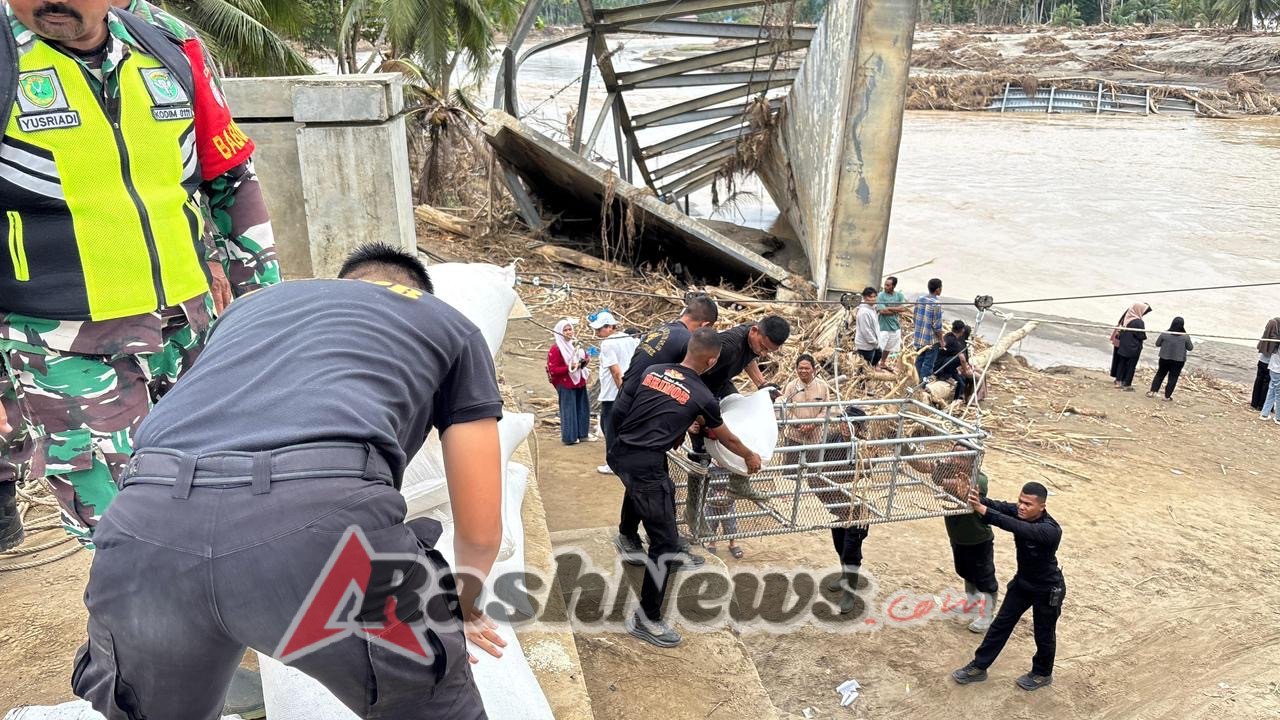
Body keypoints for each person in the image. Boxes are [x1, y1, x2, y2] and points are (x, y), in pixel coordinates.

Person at [72, 243, 505, 719]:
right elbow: (480, 530)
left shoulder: (247, 310)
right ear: (415, 292)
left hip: (142, 527)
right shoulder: (445, 322)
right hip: (323, 525)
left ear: (342, 283)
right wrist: (463, 600)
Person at [0, 0, 279, 552]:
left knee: (217, 489)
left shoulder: (167, 46)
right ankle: (133, 633)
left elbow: (229, 180)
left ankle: (215, 618)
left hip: (187, 331)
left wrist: (265, 315)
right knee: (127, 529)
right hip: (60, 345)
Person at [606, 328, 762, 648]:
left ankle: (627, 534)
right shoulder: (703, 395)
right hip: (646, 464)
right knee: (663, 543)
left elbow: (643, 405)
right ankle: (647, 619)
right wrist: (749, 455)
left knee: (656, 496)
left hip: (622, 451)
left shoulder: (653, 371)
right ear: (712, 360)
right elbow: (726, 437)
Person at [952, 481, 1065, 692]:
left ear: (1042, 506)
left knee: (1044, 633)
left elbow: (1013, 525)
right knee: (1000, 625)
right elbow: (997, 506)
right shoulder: (1019, 511)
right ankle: (979, 667)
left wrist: (983, 510)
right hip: (1023, 583)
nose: (1021, 507)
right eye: (1020, 501)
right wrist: (973, 498)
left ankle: (1042, 673)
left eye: (1028, 504)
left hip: (1047, 589)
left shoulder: (1050, 530)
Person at [933, 447, 998, 633]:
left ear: (972, 459)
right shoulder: (951, 469)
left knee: (985, 578)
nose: (956, 459)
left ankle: (987, 614)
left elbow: (945, 483)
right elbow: (936, 477)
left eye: (962, 456)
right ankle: (972, 603)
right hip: (958, 535)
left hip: (978, 538)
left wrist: (938, 468)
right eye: (954, 453)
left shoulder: (979, 479)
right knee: (965, 571)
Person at [812, 406, 870, 615]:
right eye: (844, 421)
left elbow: (865, 473)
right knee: (839, 545)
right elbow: (819, 464)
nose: (846, 426)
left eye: (851, 423)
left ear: (859, 427)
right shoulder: (834, 438)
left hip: (857, 509)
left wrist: (833, 478)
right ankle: (845, 576)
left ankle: (849, 592)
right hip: (837, 504)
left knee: (851, 551)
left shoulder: (864, 446)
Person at [616, 293, 720, 401]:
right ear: (705, 326)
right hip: (639, 404)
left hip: (622, 397)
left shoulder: (660, 328)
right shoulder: (687, 341)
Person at [592, 309, 638, 474]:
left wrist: (622, 392)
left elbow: (616, 372)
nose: (597, 332)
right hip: (628, 390)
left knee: (609, 428)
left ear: (610, 327)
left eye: (600, 328)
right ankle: (625, 460)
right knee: (621, 428)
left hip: (614, 393)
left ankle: (613, 464)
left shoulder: (608, 344)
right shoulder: (629, 339)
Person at [547, 318, 593, 445]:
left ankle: (582, 434)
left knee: (582, 407)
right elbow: (553, 370)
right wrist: (570, 367)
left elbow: (582, 358)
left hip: (579, 381)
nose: (568, 332)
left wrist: (583, 362)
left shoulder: (575, 345)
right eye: (565, 330)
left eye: (569, 329)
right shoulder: (556, 349)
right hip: (566, 382)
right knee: (569, 409)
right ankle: (570, 437)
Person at [780, 354, 833, 448]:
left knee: (814, 462)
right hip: (793, 436)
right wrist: (798, 424)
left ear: (814, 369)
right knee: (791, 463)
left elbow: (826, 409)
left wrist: (813, 424)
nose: (803, 371)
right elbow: (784, 409)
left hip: (815, 438)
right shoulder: (791, 386)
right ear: (796, 369)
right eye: (800, 368)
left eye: (807, 368)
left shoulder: (822, 386)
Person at [1149, 317, 1193, 401]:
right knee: (1173, 377)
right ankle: (1167, 396)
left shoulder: (1165, 334)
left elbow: (1157, 344)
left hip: (1164, 358)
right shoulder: (1185, 337)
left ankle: (1152, 392)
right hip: (1178, 360)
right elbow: (1190, 348)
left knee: (1160, 374)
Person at [1108, 303, 1151, 388]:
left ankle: (1118, 380)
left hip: (1123, 345)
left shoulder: (1127, 318)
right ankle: (1126, 383)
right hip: (1133, 347)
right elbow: (1141, 336)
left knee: (1122, 363)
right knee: (1131, 365)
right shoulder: (1139, 322)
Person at [912, 278, 945, 382]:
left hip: (919, 337)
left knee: (919, 360)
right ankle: (922, 385)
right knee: (928, 364)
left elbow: (915, 316)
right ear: (938, 289)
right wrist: (941, 340)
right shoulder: (936, 304)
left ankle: (915, 381)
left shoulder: (920, 299)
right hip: (930, 340)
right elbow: (937, 326)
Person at [876, 276, 908, 369]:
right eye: (885, 285)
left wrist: (889, 307)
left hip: (895, 325)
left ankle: (883, 362)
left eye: (888, 285)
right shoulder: (881, 295)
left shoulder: (899, 296)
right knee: (880, 346)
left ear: (893, 286)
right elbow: (882, 311)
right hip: (883, 326)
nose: (885, 287)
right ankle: (876, 364)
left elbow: (903, 308)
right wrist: (896, 309)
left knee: (889, 347)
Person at [701, 485, 742, 559]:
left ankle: (732, 544)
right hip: (712, 504)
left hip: (728, 504)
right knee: (711, 524)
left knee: (730, 524)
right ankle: (712, 543)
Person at [933, 329, 973, 402]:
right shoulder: (956, 342)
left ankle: (959, 399)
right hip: (944, 368)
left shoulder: (948, 336)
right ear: (962, 332)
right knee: (968, 378)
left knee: (962, 382)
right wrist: (965, 369)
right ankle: (958, 398)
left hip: (948, 367)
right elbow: (962, 359)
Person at [1252, 318, 1280, 412]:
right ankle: (1262, 405)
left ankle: (1254, 403)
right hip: (1270, 363)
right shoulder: (1276, 337)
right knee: (1267, 384)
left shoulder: (1267, 333)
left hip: (1262, 359)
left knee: (1259, 380)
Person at [854, 287, 882, 367]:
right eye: (870, 297)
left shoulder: (872, 309)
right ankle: (863, 377)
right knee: (865, 367)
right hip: (865, 345)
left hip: (873, 344)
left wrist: (876, 342)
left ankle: (871, 372)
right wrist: (874, 342)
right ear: (865, 298)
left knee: (878, 355)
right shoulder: (864, 312)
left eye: (874, 296)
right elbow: (865, 331)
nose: (873, 299)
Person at [1259, 348, 1280, 424]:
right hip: (1277, 370)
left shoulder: (1276, 342)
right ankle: (1278, 418)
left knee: (1272, 391)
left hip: (1273, 368)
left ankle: (1264, 414)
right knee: (1278, 394)